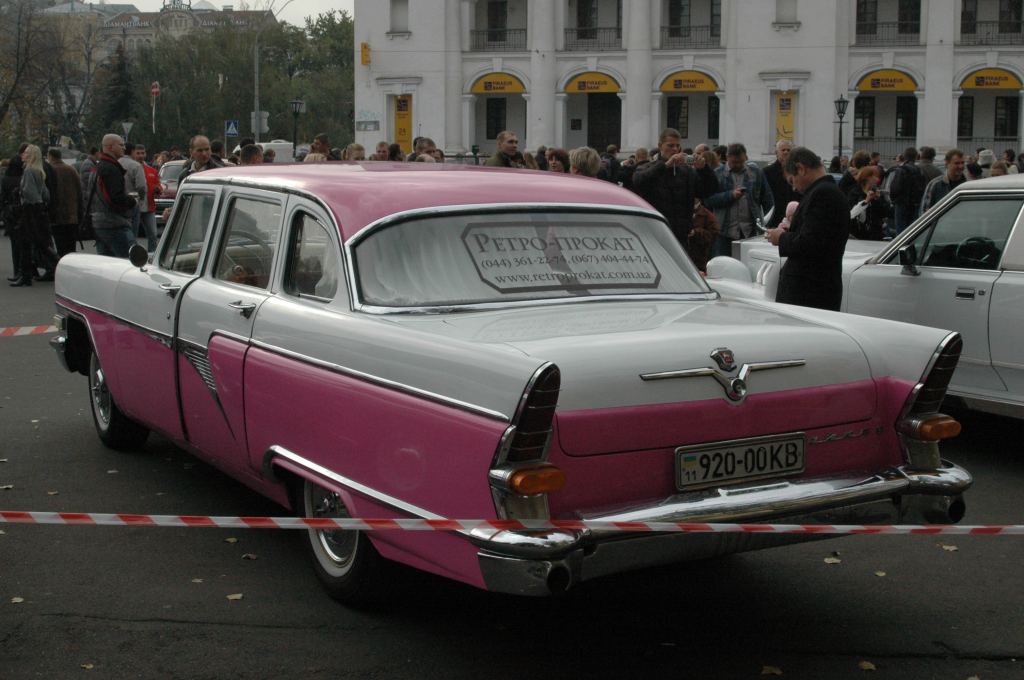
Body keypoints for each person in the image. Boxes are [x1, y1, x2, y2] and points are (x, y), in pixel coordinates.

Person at [764, 147, 848, 311]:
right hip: (814, 291)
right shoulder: (825, 192)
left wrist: (780, 237)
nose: (794, 188)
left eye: (792, 181)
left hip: (809, 293)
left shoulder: (823, 194)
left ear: (801, 169)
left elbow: (810, 243)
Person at [632, 128, 717, 258]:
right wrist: (665, 166)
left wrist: (703, 170)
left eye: (677, 146)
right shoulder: (649, 167)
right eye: (670, 145)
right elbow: (639, 181)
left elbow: (708, 191)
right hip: (655, 233)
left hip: (681, 235)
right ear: (660, 146)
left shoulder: (687, 172)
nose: (675, 149)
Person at [704, 142, 774, 258]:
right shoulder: (717, 174)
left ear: (746, 157)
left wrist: (765, 225)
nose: (737, 165)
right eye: (734, 162)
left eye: (741, 162)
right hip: (724, 232)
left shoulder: (755, 173)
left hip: (750, 232)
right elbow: (708, 201)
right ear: (727, 158)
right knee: (723, 266)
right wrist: (730, 195)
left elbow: (768, 200)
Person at [11, 145, 57, 286]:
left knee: (30, 242)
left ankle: (26, 276)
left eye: (25, 153)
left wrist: (20, 192)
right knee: (38, 242)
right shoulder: (38, 170)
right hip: (39, 210)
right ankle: (53, 266)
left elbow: (30, 193)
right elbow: (46, 194)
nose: (22, 155)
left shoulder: (29, 171)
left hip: (30, 210)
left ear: (30, 155)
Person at [89, 133, 137, 258]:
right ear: (110, 147)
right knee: (129, 263)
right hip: (114, 224)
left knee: (107, 266)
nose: (124, 148)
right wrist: (132, 201)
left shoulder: (97, 168)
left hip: (99, 223)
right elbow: (116, 198)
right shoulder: (111, 169)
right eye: (120, 145)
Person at [46, 147, 83, 258]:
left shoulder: (49, 170)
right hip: (72, 215)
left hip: (56, 215)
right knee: (71, 246)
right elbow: (79, 190)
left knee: (60, 245)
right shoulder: (71, 169)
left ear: (50, 156)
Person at [888, 146, 926, 234]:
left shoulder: (901, 170)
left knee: (901, 231)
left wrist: (894, 200)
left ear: (904, 156)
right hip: (914, 204)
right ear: (916, 157)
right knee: (912, 231)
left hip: (901, 204)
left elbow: (894, 188)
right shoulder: (919, 170)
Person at [847, 166, 890, 241]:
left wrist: (878, 199)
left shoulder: (876, 193)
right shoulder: (855, 193)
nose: (877, 179)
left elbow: (885, 212)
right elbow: (852, 214)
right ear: (867, 178)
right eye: (875, 176)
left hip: (875, 234)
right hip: (858, 236)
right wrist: (866, 200)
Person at [132, 145, 161, 252]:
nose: (140, 156)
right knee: (132, 236)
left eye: (143, 153)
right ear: (133, 154)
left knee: (153, 235)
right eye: (138, 153)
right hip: (134, 207)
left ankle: (151, 256)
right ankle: (133, 256)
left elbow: (158, 185)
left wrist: (158, 189)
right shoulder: (131, 168)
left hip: (149, 207)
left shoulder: (152, 170)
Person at [920, 149, 967, 214]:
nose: (961, 166)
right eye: (957, 163)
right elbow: (925, 213)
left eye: (962, 163)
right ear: (947, 164)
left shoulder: (968, 184)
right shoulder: (935, 185)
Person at [762, 140, 795, 229]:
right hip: (774, 217)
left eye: (788, 150)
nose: (786, 152)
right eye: (783, 150)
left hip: (793, 217)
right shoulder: (767, 172)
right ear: (776, 153)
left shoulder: (797, 171)